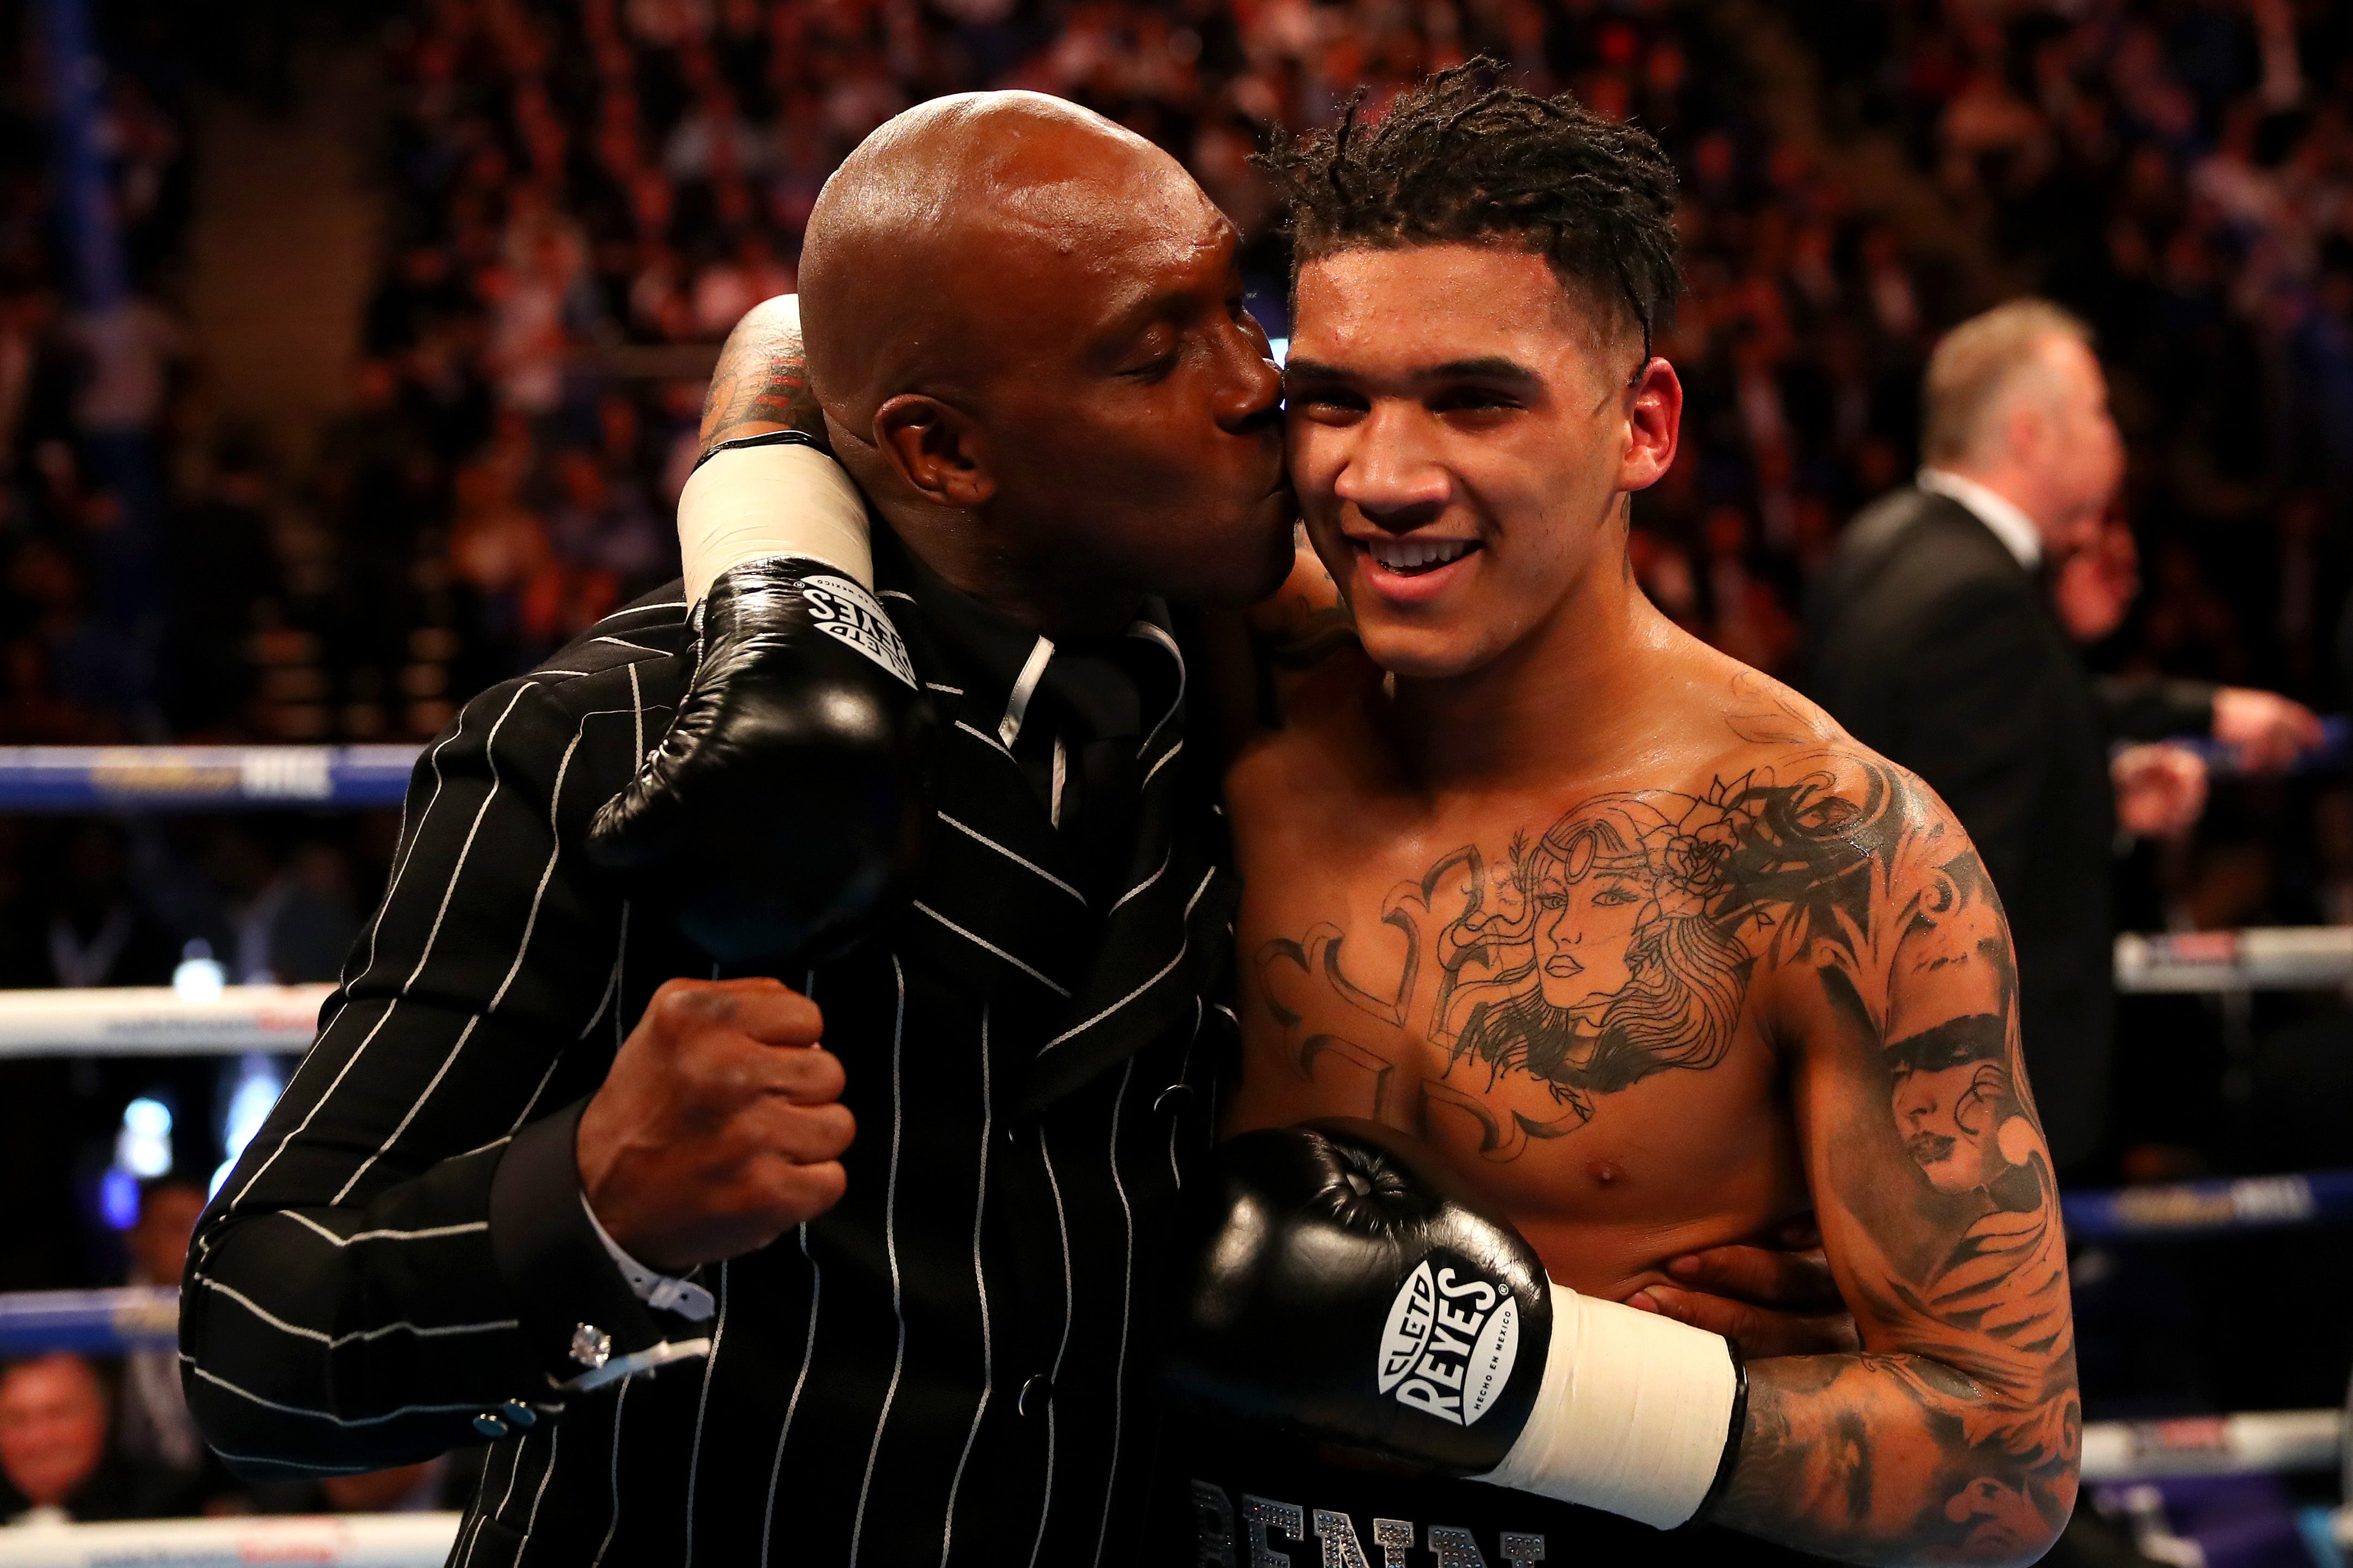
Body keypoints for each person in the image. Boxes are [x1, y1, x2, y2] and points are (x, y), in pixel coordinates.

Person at [185, 89, 1842, 1568]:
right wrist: (591, 1204)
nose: (1253, 385)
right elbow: (254, 1334)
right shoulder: (606, 740)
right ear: (940, 450)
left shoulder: (1285, 704)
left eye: (1232, 307)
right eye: (1152, 350)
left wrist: (1625, 1312)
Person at [657, 67, 2076, 1566]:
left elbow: (2002, 1459)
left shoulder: (1823, 850)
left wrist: (1550, 1385)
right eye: (1331, 399)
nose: (1383, 477)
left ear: (1641, 424)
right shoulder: (1243, 663)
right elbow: (809, 336)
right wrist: (781, 615)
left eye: (1473, 398)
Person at [1807, 300, 2324, 1170]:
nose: (2113, 435)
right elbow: (1961, 889)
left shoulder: (1882, 547)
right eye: (2095, 410)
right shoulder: (1980, 603)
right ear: (2029, 435)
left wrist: (2104, 784)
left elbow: (1959, 769)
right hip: (1967, 1124)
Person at [0, 1353, 200, 1524]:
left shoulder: (175, 1506)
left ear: (103, 1415)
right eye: (15, 1420)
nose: (39, 1440)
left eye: (58, 1415)